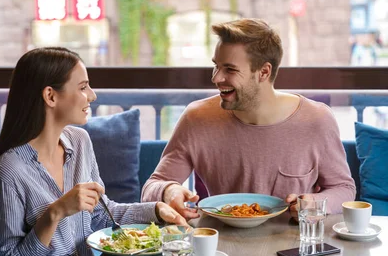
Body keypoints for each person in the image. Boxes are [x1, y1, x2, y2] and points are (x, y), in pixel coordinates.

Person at [0, 47, 186, 256]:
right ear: (50, 96)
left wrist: (155, 210)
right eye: (83, 87)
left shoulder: (80, 142)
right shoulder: (8, 173)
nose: (92, 96)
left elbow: (101, 216)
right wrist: (54, 213)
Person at [142, 18, 356, 219]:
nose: (216, 78)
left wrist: (314, 202)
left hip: (295, 249)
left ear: (263, 72)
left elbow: (344, 189)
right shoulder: (196, 118)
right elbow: (153, 186)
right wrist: (169, 191)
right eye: (216, 65)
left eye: (230, 69)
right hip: (220, 249)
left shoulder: (317, 120)